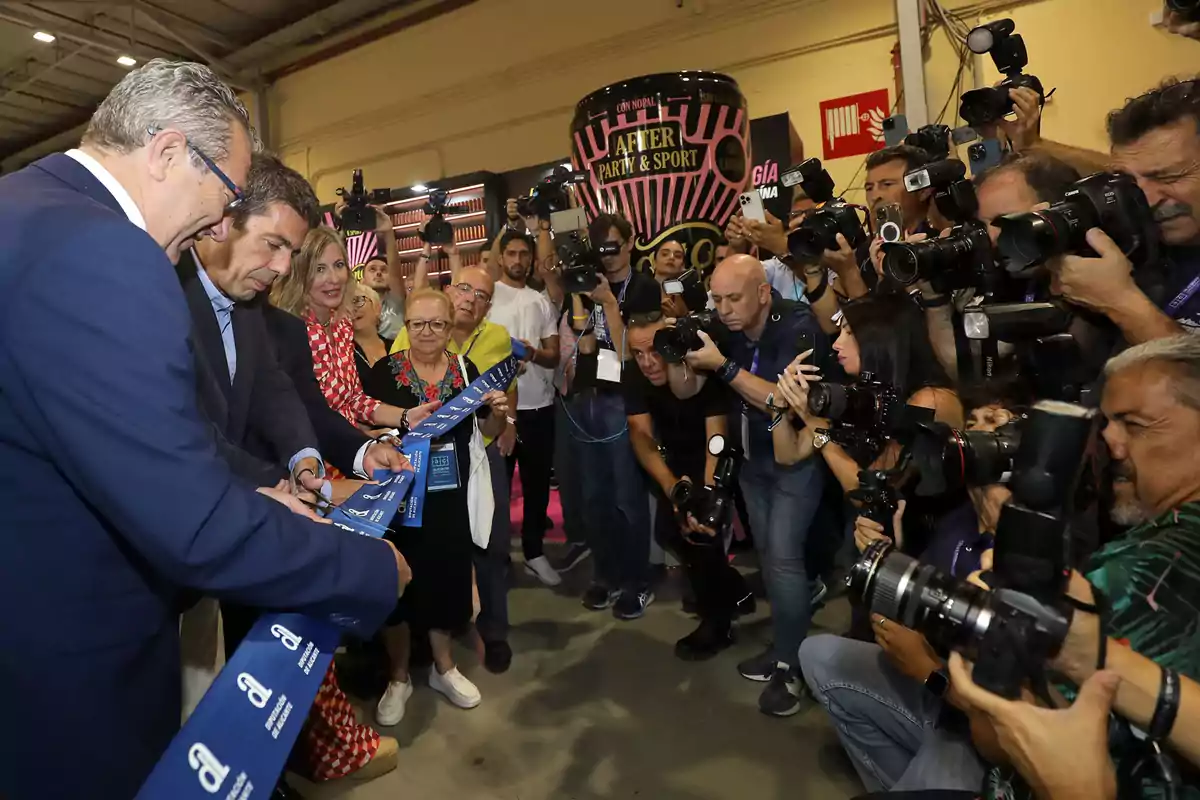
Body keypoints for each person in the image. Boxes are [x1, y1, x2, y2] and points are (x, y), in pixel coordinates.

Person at [0, 59, 405, 800]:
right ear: (166, 153)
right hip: (73, 671)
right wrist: (371, 569)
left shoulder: (21, 206)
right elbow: (189, 523)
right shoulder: (106, 253)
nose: (223, 225)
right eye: (225, 197)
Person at [969, 333, 1200, 800]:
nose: (1108, 442)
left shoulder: (1143, 570)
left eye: (1134, 424)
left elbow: (1001, 739)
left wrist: (977, 645)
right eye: (1108, 423)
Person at [797, 396, 1019, 795]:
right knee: (817, 656)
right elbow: (916, 609)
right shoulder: (957, 520)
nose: (976, 434)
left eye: (995, 424)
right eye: (973, 422)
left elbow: (1015, 718)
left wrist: (932, 675)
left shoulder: (1035, 545)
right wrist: (890, 557)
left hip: (981, 733)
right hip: (937, 695)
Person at [682, 253, 832, 717]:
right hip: (752, 461)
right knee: (769, 557)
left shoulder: (798, 326)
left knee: (784, 560)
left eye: (733, 298)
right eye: (717, 299)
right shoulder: (724, 327)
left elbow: (783, 402)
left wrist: (723, 366)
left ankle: (793, 664)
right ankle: (785, 646)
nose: (723, 309)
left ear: (764, 293)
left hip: (796, 460)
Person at [365, 289, 509, 724]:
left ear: (451, 328)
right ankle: (399, 676)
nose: (426, 332)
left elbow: (488, 427)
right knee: (397, 587)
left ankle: (444, 668)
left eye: (437, 324)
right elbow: (363, 424)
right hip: (397, 496)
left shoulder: (467, 370)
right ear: (405, 326)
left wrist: (499, 413)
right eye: (417, 324)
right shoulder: (384, 372)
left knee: (447, 579)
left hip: (450, 496)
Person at [392, 266, 518, 673]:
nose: (471, 298)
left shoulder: (492, 344)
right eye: (465, 289)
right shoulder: (397, 355)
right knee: (421, 553)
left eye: (481, 295)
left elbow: (501, 397)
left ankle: (490, 631)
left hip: (475, 460)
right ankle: (419, 646)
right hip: (413, 471)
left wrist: (504, 422)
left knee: (488, 544)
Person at [624, 315, 752, 659]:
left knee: (700, 536)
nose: (647, 361)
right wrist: (670, 486)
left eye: (653, 350)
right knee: (668, 532)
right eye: (637, 353)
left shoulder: (698, 367)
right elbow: (640, 434)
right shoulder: (636, 374)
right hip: (675, 463)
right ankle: (736, 589)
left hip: (714, 457)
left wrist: (707, 497)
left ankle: (718, 625)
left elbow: (717, 438)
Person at [562, 212, 660, 620]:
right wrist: (575, 290)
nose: (608, 258)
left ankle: (637, 582)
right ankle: (606, 575)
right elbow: (585, 348)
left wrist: (606, 301)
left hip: (626, 398)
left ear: (631, 242)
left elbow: (625, 352)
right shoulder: (588, 284)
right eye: (600, 249)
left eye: (614, 248)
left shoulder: (644, 288)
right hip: (590, 398)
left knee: (626, 497)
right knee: (594, 498)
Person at [270, 225, 412, 432]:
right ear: (300, 274)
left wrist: (406, 416)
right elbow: (298, 419)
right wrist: (362, 443)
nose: (334, 278)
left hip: (348, 454)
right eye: (319, 269)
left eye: (338, 265)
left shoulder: (342, 325)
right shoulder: (288, 332)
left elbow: (354, 399)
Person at [487, 230, 563, 588]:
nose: (517, 260)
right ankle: (496, 559)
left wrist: (532, 353)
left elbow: (554, 355)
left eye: (524, 254)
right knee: (495, 491)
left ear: (531, 259)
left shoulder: (541, 301)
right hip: (496, 409)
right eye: (511, 253)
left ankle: (534, 553)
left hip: (539, 407)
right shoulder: (486, 297)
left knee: (536, 490)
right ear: (500, 257)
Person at [354, 203, 405, 340]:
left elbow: (394, 267)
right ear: (362, 280)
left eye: (383, 270)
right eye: (372, 269)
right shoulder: (353, 306)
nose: (378, 273)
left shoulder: (396, 301)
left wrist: (388, 232)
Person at [353, 284, 394, 389]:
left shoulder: (395, 346)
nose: (353, 309)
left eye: (358, 301)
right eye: (346, 305)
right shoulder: (342, 353)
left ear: (377, 308)